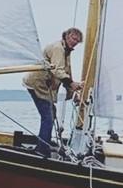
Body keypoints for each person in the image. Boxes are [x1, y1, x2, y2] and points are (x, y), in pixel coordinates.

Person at [23, 28, 83, 157]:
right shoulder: (58, 48)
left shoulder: (66, 52)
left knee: (51, 114)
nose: (75, 42)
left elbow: (66, 73)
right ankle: (42, 150)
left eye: (78, 41)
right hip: (37, 85)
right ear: (67, 36)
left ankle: (45, 142)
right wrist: (72, 84)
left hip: (44, 87)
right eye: (73, 39)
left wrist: (73, 93)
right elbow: (58, 71)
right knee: (47, 117)